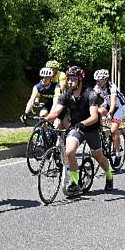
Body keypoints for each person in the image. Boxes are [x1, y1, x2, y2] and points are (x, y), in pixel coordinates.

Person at [45, 66, 114, 196]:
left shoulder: (90, 94)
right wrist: (44, 119)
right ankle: (75, 183)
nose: (69, 82)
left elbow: (94, 117)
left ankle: (109, 175)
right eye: (68, 79)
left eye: (73, 79)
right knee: (69, 151)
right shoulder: (67, 95)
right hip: (76, 128)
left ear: (80, 80)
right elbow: (56, 112)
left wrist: (82, 123)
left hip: (91, 128)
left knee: (98, 156)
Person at [93, 69, 125, 166]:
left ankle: (118, 153)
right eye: (97, 80)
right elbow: (92, 101)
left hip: (118, 106)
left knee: (113, 129)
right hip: (107, 104)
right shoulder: (97, 87)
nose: (98, 82)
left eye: (100, 80)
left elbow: (113, 101)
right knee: (96, 112)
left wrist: (110, 112)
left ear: (105, 80)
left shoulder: (112, 87)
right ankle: (101, 133)